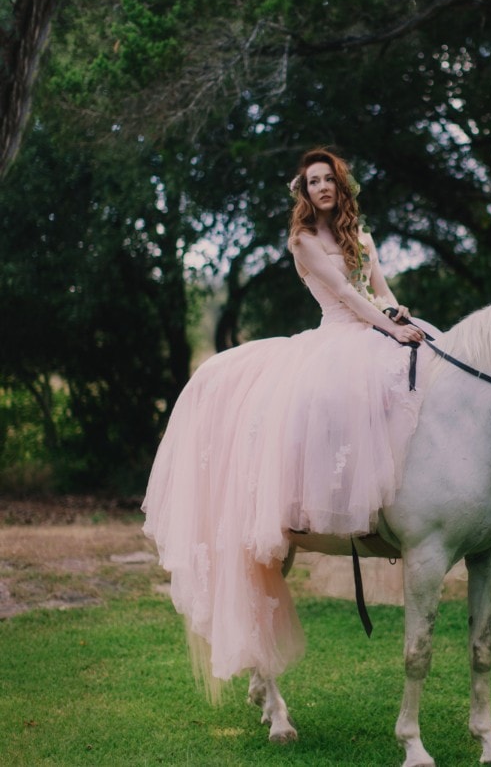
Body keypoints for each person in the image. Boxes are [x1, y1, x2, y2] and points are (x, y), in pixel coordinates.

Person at [142, 148, 428, 681]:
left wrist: (398, 313)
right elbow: (344, 294)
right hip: (336, 337)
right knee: (324, 401)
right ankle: (317, 500)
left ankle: (405, 500)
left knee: (419, 371)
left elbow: (379, 291)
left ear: (340, 185)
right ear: (305, 191)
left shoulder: (361, 237)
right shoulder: (302, 240)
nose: (321, 187)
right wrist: (385, 327)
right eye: (312, 181)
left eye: (328, 179)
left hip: (370, 329)